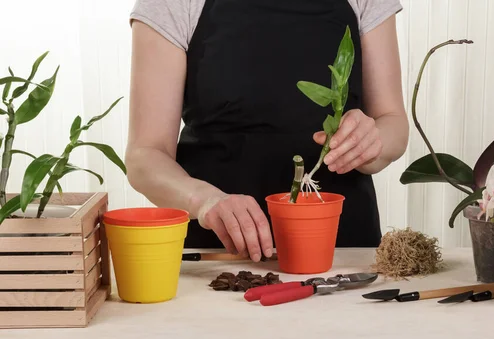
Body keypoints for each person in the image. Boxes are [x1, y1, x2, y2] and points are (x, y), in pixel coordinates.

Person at [125, 0, 410, 263]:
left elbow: (393, 122)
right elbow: (146, 155)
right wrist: (204, 201)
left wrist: (370, 142)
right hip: (218, 256)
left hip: (342, 256)